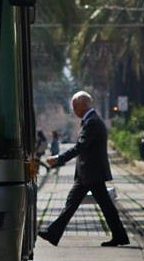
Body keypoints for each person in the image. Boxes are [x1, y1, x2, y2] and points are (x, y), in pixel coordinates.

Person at [38, 91, 130, 248]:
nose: (74, 110)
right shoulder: (91, 120)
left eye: (75, 106)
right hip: (88, 173)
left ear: (82, 105)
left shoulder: (92, 122)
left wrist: (59, 158)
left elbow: (80, 146)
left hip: (91, 173)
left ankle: (53, 232)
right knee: (79, 203)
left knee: (89, 204)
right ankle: (53, 233)